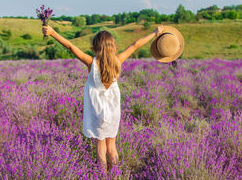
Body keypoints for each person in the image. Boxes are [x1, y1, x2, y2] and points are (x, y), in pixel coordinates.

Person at [42, 25, 164, 172]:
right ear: (113, 46)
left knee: (100, 146)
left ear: (95, 47)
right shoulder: (118, 61)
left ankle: (103, 175)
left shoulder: (91, 63)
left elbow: (70, 46)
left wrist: (53, 32)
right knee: (112, 146)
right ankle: (115, 174)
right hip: (113, 112)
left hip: (97, 112)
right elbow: (136, 44)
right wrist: (154, 33)